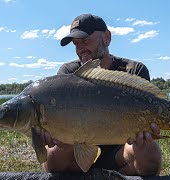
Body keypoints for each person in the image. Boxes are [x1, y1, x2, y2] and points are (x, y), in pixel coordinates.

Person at [40, 13, 162, 176]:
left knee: (149, 152)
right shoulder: (68, 73)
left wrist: (147, 131)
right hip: (79, 155)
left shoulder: (133, 70)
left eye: (85, 40)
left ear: (107, 37)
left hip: (121, 152)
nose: (80, 48)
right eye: (76, 44)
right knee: (53, 156)